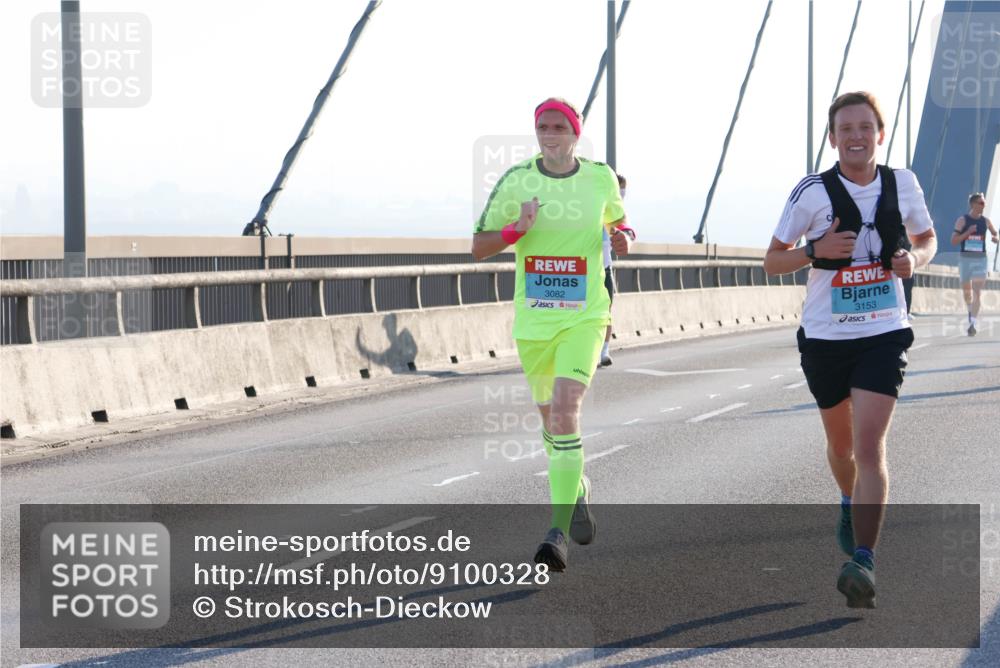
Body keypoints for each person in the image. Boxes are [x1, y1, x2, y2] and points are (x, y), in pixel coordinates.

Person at [763, 91, 937, 608]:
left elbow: (927, 239)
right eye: (846, 128)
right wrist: (813, 252)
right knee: (842, 450)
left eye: (866, 127)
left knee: (869, 446)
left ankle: (864, 560)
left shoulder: (903, 183)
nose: (856, 136)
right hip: (826, 339)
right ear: (833, 137)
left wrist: (915, 262)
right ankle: (847, 498)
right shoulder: (812, 192)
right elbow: (771, 262)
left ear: (880, 134)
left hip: (884, 332)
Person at [472, 97, 632, 571]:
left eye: (560, 126)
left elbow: (619, 223)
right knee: (552, 425)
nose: (551, 133)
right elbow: (478, 247)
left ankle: (557, 530)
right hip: (534, 324)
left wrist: (625, 237)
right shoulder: (516, 180)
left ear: (575, 134)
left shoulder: (599, 177)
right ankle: (577, 486)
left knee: (566, 411)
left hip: (585, 317)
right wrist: (516, 230)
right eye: (543, 126)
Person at [598, 173, 636, 367]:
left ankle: (604, 351)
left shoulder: (615, 212)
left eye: (623, 191)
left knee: (607, 312)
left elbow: (627, 229)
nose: (621, 195)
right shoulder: (595, 206)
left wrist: (627, 237)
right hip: (589, 270)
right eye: (618, 190)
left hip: (606, 267)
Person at [951, 192, 998, 336]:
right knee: (967, 293)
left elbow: (996, 233)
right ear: (973, 204)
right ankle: (970, 311)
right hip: (966, 259)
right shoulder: (962, 220)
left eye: (984, 203)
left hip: (980, 260)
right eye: (981, 203)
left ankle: (973, 323)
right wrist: (968, 233)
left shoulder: (986, 221)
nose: (984, 205)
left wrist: (996, 238)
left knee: (977, 292)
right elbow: (954, 241)